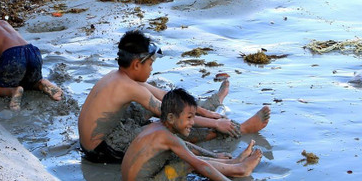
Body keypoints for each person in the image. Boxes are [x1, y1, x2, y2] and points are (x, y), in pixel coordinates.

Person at [77, 30, 271, 163]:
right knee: (171, 126)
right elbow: (171, 114)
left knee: (164, 103)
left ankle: (210, 105)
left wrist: (204, 111)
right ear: (137, 65)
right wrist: (216, 124)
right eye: (150, 64)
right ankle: (242, 128)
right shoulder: (129, 87)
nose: (152, 68)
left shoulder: (119, 77)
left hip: (99, 138)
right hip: (102, 151)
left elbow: (164, 96)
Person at [121, 88, 263, 181]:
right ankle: (239, 170)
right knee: (187, 162)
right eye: (189, 118)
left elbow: (185, 146)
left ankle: (234, 162)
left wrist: (214, 155)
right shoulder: (167, 137)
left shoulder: (157, 128)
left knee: (183, 156)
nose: (193, 123)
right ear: (171, 118)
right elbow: (197, 163)